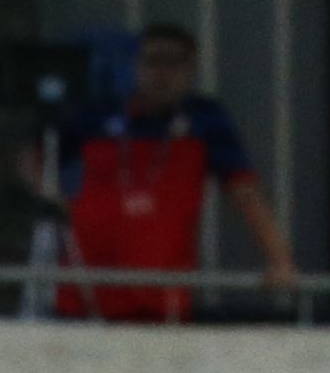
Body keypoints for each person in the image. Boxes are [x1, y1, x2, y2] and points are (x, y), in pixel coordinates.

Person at [41, 22, 295, 326]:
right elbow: (36, 154)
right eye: (152, 61)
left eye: (174, 62)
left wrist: (279, 258)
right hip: (84, 293)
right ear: (136, 66)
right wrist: (53, 198)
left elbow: (245, 192)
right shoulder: (97, 115)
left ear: (191, 70)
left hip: (161, 302)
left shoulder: (205, 120)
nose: (162, 73)